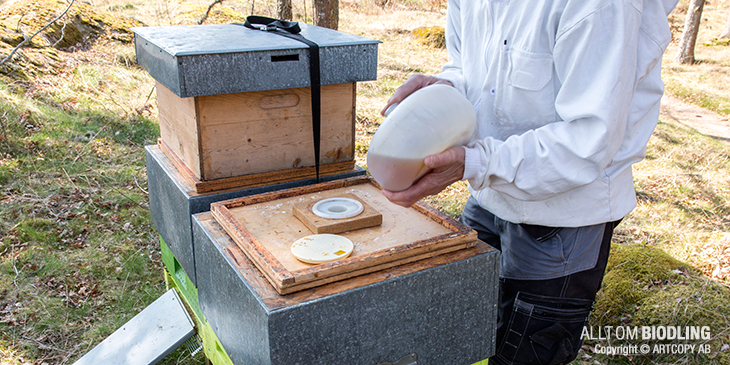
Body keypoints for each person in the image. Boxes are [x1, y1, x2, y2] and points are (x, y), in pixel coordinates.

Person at [379, 0, 679, 364]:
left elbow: (587, 140)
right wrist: (445, 88)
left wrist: (474, 162)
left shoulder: (602, 6)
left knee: (524, 355)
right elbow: (471, 68)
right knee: (460, 334)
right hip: (487, 192)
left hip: (564, 219)